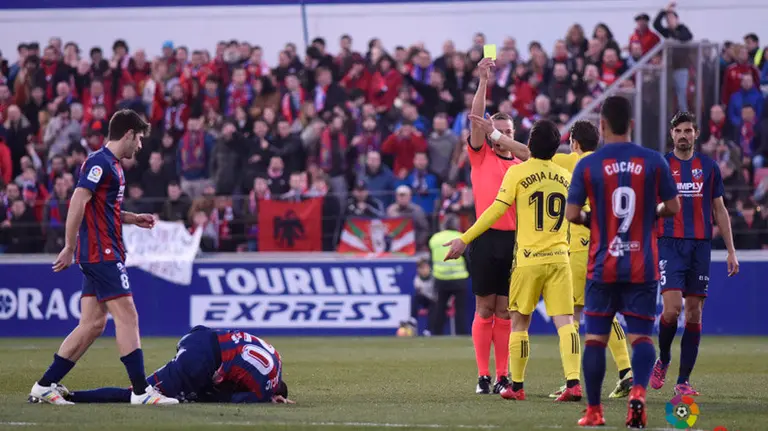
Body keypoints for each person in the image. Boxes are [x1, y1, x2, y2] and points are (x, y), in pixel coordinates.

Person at [28, 110, 179, 406]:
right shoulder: (99, 163)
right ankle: (140, 392)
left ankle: (44, 385)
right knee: (128, 316)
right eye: (139, 139)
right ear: (128, 134)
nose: (140, 146)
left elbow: (103, 210)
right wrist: (69, 246)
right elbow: (78, 201)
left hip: (99, 252)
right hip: (101, 253)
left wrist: (133, 218)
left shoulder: (112, 166)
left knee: (93, 324)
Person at [444, 119, 582, 402]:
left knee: (518, 322)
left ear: (529, 144)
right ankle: (573, 383)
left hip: (528, 258)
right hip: (560, 258)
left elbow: (495, 210)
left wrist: (465, 237)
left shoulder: (519, 173)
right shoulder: (566, 177)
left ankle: (516, 386)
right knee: (567, 323)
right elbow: (583, 214)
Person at [565, 96, 680, 428]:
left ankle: (594, 411)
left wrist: (596, 220)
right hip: (642, 264)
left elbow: (573, 214)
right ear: (631, 124)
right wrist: (651, 213)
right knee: (642, 337)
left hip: (604, 263)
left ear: (601, 125)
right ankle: (639, 394)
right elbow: (672, 207)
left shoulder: (588, 164)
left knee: (595, 341)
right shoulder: (654, 160)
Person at [651, 112, 740, 396]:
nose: (683, 135)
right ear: (672, 134)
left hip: (700, 246)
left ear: (696, 133)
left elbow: (719, 210)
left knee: (693, 314)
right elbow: (649, 208)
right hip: (669, 243)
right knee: (672, 309)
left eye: (688, 130)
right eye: (678, 130)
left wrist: (731, 251)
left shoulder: (709, 167)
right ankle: (663, 358)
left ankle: (683, 381)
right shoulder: (661, 166)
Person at [550, 121, 634, 400]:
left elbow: (530, 154)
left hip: (577, 246)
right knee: (605, 309)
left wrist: (498, 136)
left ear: (574, 142)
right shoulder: (609, 164)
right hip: (606, 244)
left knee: (570, 313)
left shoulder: (570, 160)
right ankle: (626, 372)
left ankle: (571, 380)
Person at [462, 57, 530, 395]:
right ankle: (483, 375)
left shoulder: (522, 163)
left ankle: (504, 374)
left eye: (508, 132)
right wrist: (483, 81)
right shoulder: (481, 155)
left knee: (506, 311)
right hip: (486, 239)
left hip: (514, 241)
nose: (501, 137)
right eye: (497, 131)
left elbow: (534, 154)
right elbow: (477, 120)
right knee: (484, 307)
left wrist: (501, 136)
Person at [55, 326, 292, 404]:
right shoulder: (265, 391)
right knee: (138, 395)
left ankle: (67, 394)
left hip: (201, 336)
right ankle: (70, 396)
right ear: (277, 394)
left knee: (197, 389)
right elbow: (230, 399)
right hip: (202, 360)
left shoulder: (277, 358)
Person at [429, 215, 470, 336]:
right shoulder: (461, 237)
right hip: (459, 278)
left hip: (440, 278)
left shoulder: (434, 238)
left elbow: (431, 258)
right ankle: (461, 333)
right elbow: (468, 258)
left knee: (440, 307)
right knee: (460, 309)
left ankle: (436, 333)